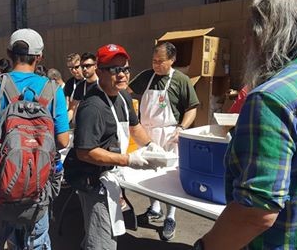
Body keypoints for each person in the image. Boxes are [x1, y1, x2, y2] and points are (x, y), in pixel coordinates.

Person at [195, 0, 297, 250]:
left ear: (266, 33)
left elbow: (256, 213)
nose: (246, 43)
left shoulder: (272, 98)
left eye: (249, 34)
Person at [0, 28, 70, 249]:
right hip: (37, 187)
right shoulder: (53, 89)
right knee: (36, 243)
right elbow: (62, 141)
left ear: (8, 53)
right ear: (39, 57)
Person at [64, 44, 165, 250]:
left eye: (125, 69)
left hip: (110, 174)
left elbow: (134, 126)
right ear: (99, 72)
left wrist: (151, 145)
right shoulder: (92, 106)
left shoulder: (123, 96)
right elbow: (85, 152)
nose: (122, 75)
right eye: (114, 69)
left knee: (99, 232)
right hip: (92, 179)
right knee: (103, 242)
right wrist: (129, 160)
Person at [128, 42, 199, 241]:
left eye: (160, 62)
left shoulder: (181, 80)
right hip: (146, 133)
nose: (156, 65)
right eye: (153, 61)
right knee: (149, 171)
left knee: (169, 177)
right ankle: (154, 208)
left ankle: (170, 216)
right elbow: (126, 92)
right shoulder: (146, 76)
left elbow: (192, 108)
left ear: (172, 60)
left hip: (169, 134)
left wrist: (182, 128)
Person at [67, 52, 99, 122]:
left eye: (88, 66)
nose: (84, 69)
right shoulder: (80, 86)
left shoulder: (103, 84)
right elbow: (72, 109)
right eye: (82, 66)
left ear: (95, 66)